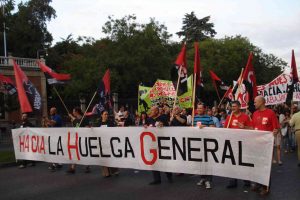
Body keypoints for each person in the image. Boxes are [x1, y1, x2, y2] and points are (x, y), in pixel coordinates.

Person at [251, 96, 280, 196]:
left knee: (265, 166)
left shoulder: (270, 113)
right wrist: (244, 127)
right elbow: (252, 128)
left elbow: (276, 128)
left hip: (267, 145)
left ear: (262, 102)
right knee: (257, 165)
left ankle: (265, 187)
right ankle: (258, 184)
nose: (254, 103)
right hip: (256, 144)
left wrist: (276, 131)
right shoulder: (254, 114)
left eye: (255, 102)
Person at [224, 101, 252, 188]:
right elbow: (225, 129)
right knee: (232, 162)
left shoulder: (245, 117)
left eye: (235, 106)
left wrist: (244, 127)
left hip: (243, 143)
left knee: (243, 162)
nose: (233, 108)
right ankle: (233, 181)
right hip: (232, 143)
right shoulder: (229, 117)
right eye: (232, 106)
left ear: (239, 107)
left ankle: (246, 180)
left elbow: (251, 128)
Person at [146, 106, 173, 185]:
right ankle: (157, 179)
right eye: (151, 110)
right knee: (154, 160)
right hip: (153, 143)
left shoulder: (163, 117)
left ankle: (169, 175)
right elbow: (146, 127)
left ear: (157, 111)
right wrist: (145, 127)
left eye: (153, 110)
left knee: (164, 160)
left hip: (162, 142)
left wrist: (163, 126)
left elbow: (168, 128)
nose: (151, 112)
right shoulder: (149, 119)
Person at [193, 103, 215, 189]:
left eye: (201, 108)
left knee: (208, 162)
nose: (199, 110)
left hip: (207, 143)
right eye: (198, 108)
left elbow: (213, 127)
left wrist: (204, 126)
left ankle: (208, 180)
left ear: (204, 109)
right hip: (197, 143)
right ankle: (202, 178)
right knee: (200, 162)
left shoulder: (209, 118)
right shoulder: (194, 118)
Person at [66, 107, 91, 174]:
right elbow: (74, 124)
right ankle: (72, 168)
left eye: (74, 111)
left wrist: (84, 128)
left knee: (84, 153)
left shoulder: (84, 119)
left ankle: (87, 166)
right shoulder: (76, 120)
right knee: (75, 153)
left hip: (83, 139)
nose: (73, 113)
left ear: (77, 112)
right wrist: (71, 116)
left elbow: (88, 127)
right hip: (77, 139)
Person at [99, 110, 119, 177]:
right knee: (103, 157)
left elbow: (114, 131)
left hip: (109, 142)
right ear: (101, 115)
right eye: (105, 114)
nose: (106, 115)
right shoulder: (98, 123)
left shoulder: (110, 123)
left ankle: (114, 170)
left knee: (111, 157)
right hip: (101, 143)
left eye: (107, 114)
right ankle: (106, 172)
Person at [44, 107, 63, 171]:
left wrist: (47, 120)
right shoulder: (52, 117)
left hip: (57, 136)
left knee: (55, 150)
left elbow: (54, 123)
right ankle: (58, 163)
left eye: (51, 111)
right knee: (55, 150)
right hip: (53, 136)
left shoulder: (58, 117)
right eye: (50, 111)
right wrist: (46, 124)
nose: (50, 112)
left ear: (54, 111)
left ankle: (54, 164)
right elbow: (50, 125)